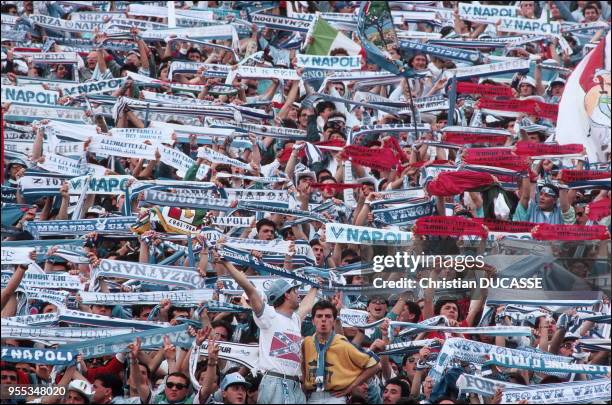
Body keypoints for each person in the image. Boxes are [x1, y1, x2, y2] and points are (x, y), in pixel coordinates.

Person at [302, 300, 381, 404]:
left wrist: (351, 387)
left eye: (328, 316)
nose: (323, 320)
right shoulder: (306, 343)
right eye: (319, 316)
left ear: (334, 321)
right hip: (312, 397)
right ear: (313, 321)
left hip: (335, 397)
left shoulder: (342, 343)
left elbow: (375, 366)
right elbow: (303, 368)